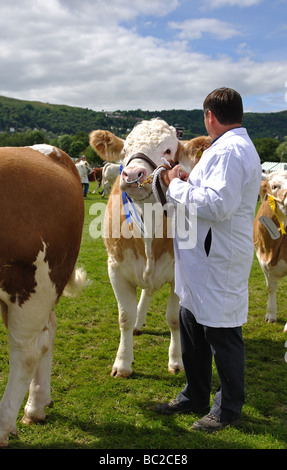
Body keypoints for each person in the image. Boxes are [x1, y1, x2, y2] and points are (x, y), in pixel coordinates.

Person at [157, 87, 262, 432]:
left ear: (210, 116)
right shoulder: (225, 148)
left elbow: (218, 204)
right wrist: (191, 180)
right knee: (193, 324)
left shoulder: (231, 150)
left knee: (222, 332)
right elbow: (212, 192)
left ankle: (228, 408)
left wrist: (175, 185)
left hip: (217, 257)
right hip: (201, 257)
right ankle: (196, 394)